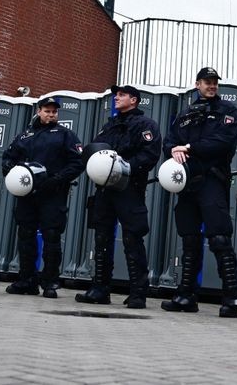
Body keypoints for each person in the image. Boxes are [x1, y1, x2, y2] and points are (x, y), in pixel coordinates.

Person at [161, 67, 237, 317]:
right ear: (197, 84)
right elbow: (168, 143)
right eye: (207, 82)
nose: (212, 86)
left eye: (215, 82)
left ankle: (231, 298)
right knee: (188, 239)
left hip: (212, 181)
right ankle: (186, 295)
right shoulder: (185, 114)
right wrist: (174, 148)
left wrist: (188, 147)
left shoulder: (227, 111)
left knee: (219, 238)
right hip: (186, 183)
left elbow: (222, 142)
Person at [76, 85, 162, 309]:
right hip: (105, 190)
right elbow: (96, 151)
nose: (117, 97)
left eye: (122, 95)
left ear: (134, 100)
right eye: (116, 94)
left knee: (132, 239)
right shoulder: (109, 126)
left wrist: (122, 167)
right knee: (102, 238)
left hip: (129, 189)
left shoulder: (146, 125)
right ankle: (100, 289)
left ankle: (138, 293)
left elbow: (149, 155)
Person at [1, 96, 84, 299]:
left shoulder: (65, 135)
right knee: (25, 236)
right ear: (39, 111)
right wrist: (14, 173)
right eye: (47, 111)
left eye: (54, 112)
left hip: (53, 194)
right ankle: (26, 280)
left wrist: (56, 180)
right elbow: (8, 158)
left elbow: (77, 162)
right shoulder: (25, 135)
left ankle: (50, 282)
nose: (51, 114)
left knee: (52, 238)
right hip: (27, 195)